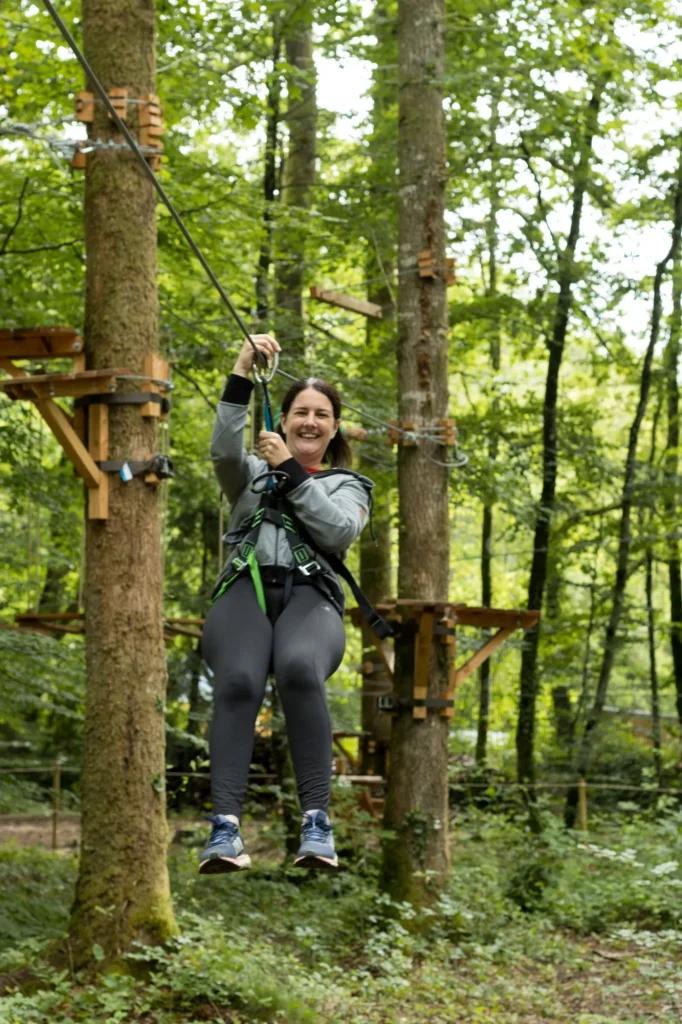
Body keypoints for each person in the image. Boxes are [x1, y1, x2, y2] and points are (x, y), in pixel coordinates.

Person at [199, 334, 374, 874]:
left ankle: (316, 823)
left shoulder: (350, 485)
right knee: (238, 682)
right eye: (301, 411)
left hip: (310, 597)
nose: (310, 422)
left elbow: (338, 529)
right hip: (245, 590)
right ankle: (224, 830)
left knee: (299, 669)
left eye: (322, 415)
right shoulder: (252, 474)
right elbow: (224, 451)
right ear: (286, 417)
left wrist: (293, 474)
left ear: (335, 427)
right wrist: (241, 371)